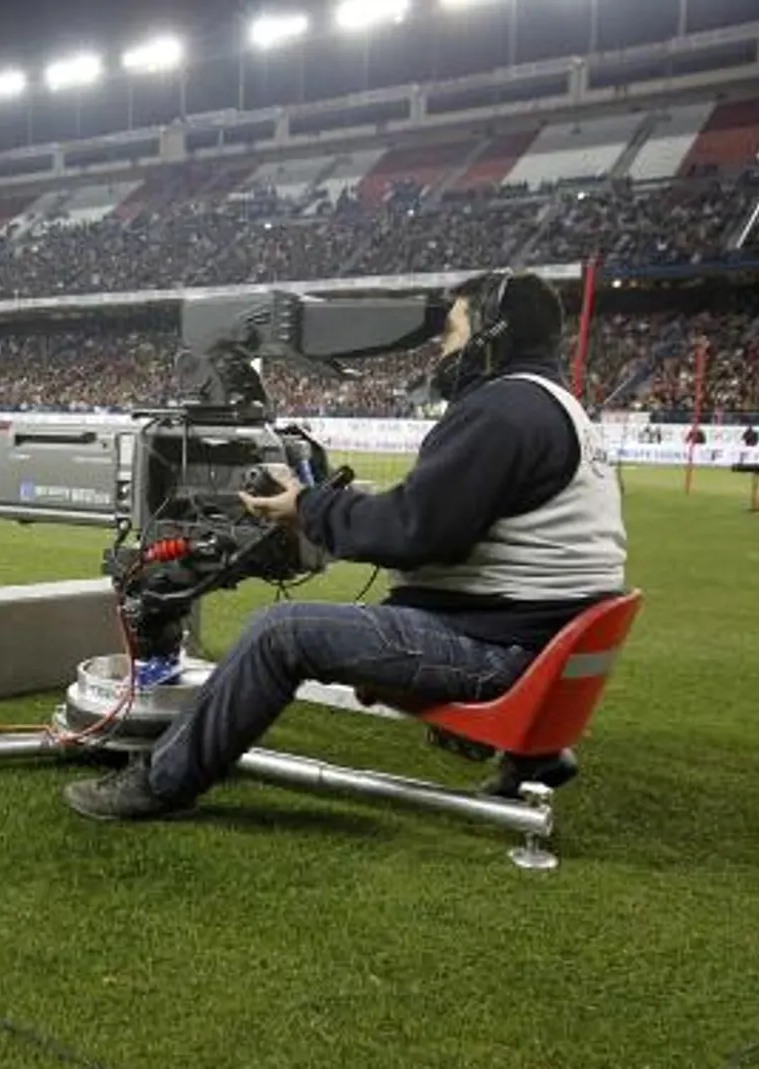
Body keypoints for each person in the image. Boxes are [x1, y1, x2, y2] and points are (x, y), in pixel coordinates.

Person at [64, 270, 629, 821]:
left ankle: (162, 782)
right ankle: (536, 755)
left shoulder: (501, 411)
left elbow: (413, 532)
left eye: (452, 332)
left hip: (501, 651)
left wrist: (307, 508)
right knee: (358, 624)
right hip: (542, 644)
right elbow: (459, 522)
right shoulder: (555, 407)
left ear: (490, 337)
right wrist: (345, 508)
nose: (441, 351)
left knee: (278, 632)